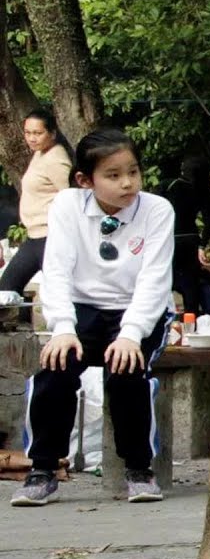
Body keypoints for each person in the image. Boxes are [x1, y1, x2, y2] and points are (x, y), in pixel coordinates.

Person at [12, 128, 174, 507]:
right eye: (113, 176)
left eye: (133, 172)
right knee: (54, 369)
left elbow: (154, 279)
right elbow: (56, 270)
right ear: (86, 180)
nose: (127, 183)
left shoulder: (157, 210)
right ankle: (42, 469)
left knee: (126, 370)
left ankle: (139, 469)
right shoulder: (68, 205)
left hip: (138, 311)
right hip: (82, 309)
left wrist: (131, 334)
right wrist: (63, 329)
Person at [0, 109, 73, 295]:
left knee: (59, 296)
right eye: (28, 133)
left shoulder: (56, 159)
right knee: (5, 289)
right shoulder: (41, 154)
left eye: (38, 133)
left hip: (50, 237)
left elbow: (71, 198)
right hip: (34, 237)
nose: (32, 138)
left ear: (52, 133)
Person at [164, 154, 210, 322]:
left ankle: (165, 318)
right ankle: (191, 321)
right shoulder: (200, 190)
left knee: (166, 279)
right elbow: (209, 221)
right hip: (191, 239)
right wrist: (201, 245)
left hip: (170, 238)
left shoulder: (170, 186)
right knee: (190, 284)